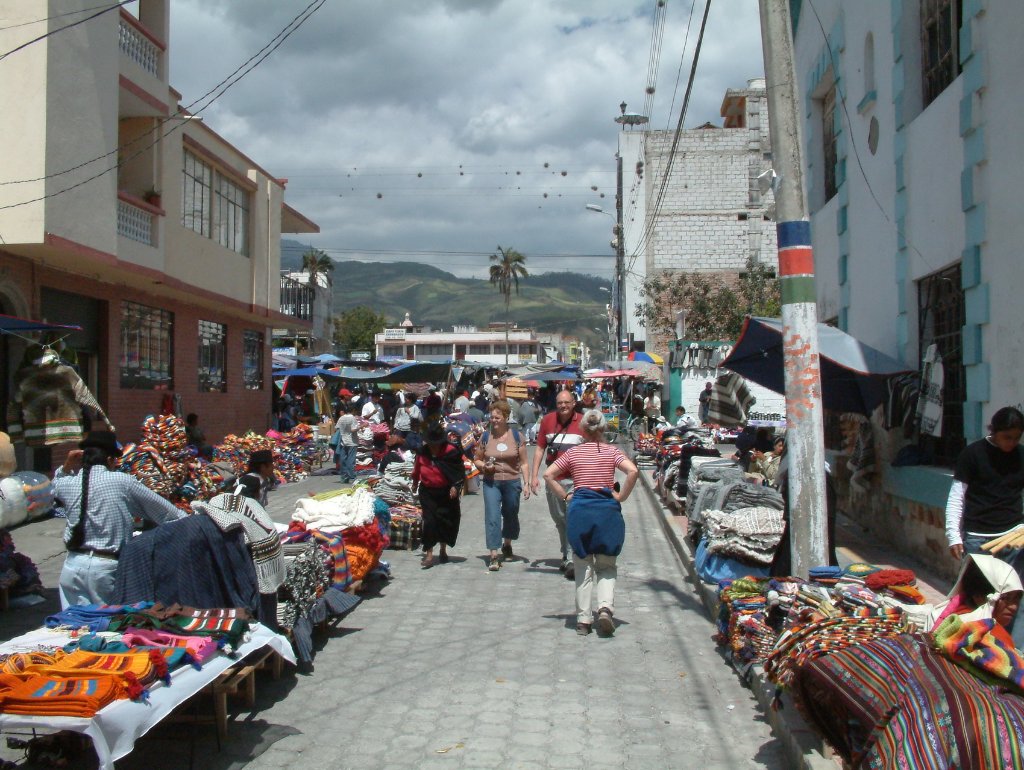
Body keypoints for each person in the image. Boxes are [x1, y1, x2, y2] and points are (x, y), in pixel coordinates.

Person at [52, 430, 185, 608]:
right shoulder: (122, 482)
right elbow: (168, 514)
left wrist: (67, 465)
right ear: (109, 460)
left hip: (72, 566)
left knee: (71, 627)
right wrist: (193, 524)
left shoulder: (67, 484)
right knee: (106, 629)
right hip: (106, 570)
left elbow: (56, 483)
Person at [543, 409, 639, 637]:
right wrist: (621, 496)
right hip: (607, 512)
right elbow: (633, 470)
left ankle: (583, 620)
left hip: (581, 511)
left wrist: (566, 496)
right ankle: (605, 609)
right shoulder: (611, 452)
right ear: (604, 429)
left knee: (582, 565)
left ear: (583, 430)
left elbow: (548, 475)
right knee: (606, 565)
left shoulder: (573, 454)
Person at [945, 406, 1024, 645]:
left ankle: (1014, 654)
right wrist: (954, 536)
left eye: (1016, 438)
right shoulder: (972, 454)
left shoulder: (1022, 456)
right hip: (979, 541)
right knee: (977, 599)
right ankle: (972, 647)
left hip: (1014, 537)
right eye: (1006, 437)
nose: (1011, 443)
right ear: (994, 431)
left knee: (1015, 601)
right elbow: (957, 496)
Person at [530, 389, 585, 579]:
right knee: (559, 519)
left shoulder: (583, 422)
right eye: (560, 403)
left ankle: (571, 557)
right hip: (553, 480)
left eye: (567, 402)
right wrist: (534, 475)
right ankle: (566, 553)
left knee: (572, 517)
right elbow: (539, 449)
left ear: (573, 403)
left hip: (576, 480)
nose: (563, 406)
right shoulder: (547, 421)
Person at [474, 400, 531, 571]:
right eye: (492, 417)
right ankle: (493, 555)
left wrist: (527, 483)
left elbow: (524, 463)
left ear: (506, 417)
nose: (494, 420)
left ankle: (507, 542)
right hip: (492, 482)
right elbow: (476, 459)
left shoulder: (516, 437)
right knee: (492, 516)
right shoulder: (485, 437)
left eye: (497, 417)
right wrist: (484, 466)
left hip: (512, 481)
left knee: (511, 512)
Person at [411, 423, 466, 569]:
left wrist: (456, 486)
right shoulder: (422, 452)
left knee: (445, 520)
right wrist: (415, 482)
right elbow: (417, 469)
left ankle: (443, 549)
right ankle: (429, 554)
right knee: (429, 521)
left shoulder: (451, 451)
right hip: (427, 491)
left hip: (446, 492)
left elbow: (459, 471)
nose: (433, 447)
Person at [334, 403, 358, 484]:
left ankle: (344, 477)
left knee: (343, 459)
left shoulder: (341, 418)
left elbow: (337, 428)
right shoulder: (352, 418)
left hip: (343, 442)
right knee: (351, 460)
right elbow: (353, 430)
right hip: (352, 442)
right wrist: (362, 426)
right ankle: (352, 476)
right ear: (353, 410)